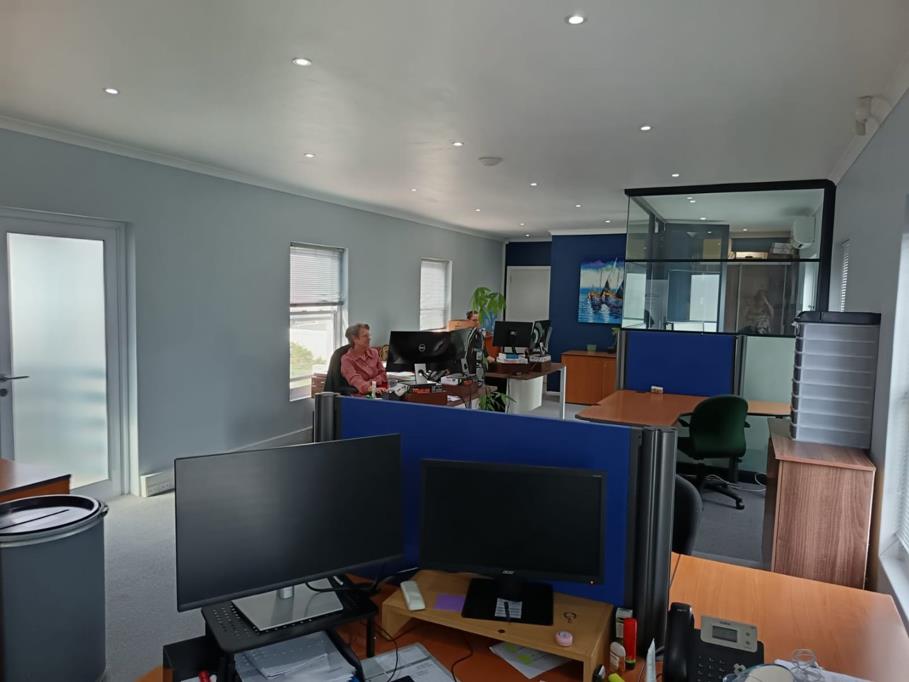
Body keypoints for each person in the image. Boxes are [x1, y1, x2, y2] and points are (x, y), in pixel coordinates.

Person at [340, 323, 387, 395]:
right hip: (362, 394)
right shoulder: (347, 359)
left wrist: (371, 382)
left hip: (379, 389)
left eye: (369, 335)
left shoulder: (374, 353)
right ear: (355, 339)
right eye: (365, 336)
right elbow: (355, 380)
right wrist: (372, 387)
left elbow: (383, 374)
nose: (369, 338)